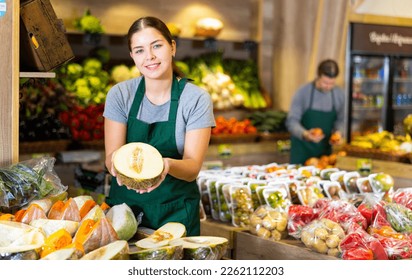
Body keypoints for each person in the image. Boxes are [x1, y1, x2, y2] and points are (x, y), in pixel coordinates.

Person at [103, 16, 215, 236]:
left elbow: (192, 168)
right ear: (132, 56)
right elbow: (110, 157)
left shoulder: (195, 99)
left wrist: (165, 166)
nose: (150, 57)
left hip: (176, 215)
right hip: (125, 212)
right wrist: (119, 167)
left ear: (172, 47)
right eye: (139, 50)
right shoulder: (120, 95)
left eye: (157, 46)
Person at [286, 59, 345, 165]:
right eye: (325, 82)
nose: (328, 86)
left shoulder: (339, 94)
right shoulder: (303, 92)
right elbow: (292, 121)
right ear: (318, 76)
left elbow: (341, 120)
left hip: (325, 154)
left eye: (331, 83)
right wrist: (305, 134)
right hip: (302, 152)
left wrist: (339, 133)